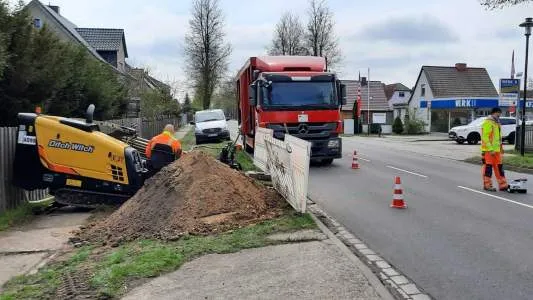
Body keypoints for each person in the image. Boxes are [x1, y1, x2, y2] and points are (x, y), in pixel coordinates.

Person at [481, 107, 508, 192]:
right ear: (493, 113)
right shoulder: (488, 122)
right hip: (489, 150)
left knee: (499, 167)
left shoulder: (497, 123)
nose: (499, 115)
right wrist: (490, 149)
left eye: (500, 113)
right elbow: (485, 137)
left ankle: (503, 185)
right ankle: (487, 185)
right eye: (498, 113)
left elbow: (498, 138)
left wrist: (501, 148)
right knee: (488, 168)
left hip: (496, 150)